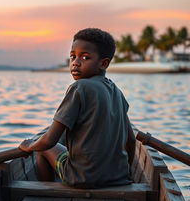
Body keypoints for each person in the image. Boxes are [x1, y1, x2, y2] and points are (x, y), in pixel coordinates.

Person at [19, 28, 136, 188]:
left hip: (81, 178)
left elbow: (49, 140)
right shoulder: (117, 92)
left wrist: (29, 145)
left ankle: (47, 192)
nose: (76, 62)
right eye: (73, 56)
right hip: (118, 179)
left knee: (42, 148)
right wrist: (125, 171)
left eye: (85, 57)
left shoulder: (79, 87)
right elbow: (130, 141)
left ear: (103, 63)